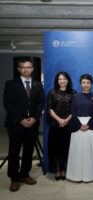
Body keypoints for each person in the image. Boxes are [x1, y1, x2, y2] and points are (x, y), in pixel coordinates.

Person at [3, 58, 44, 192]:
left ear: (32, 69)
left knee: (28, 150)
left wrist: (34, 118)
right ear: (19, 69)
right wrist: (21, 119)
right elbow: (8, 103)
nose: (26, 69)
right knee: (14, 151)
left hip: (32, 124)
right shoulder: (11, 84)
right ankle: (14, 179)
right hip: (15, 124)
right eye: (23, 67)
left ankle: (25, 175)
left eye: (28, 67)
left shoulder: (38, 85)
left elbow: (40, 103)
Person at [66, 74, 93, 182]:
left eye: (88, 82)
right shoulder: (74, 97)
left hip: (90, 127)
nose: (86, 85)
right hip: (77, 126)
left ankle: (89, 176)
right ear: (80, 84)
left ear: (91, 84)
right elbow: (72, 112)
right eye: (84, 82)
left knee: (89, 153)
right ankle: (76, 176)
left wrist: (89, 124)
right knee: (77, 153)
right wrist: (79, 125)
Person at [47, 71, 75, 180]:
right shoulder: (52, 93)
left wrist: (66, 120)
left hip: (69, 125)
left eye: (64, 79)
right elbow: (49, 109)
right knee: (56, 149)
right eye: (60, 79)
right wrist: (59, 120)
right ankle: (58, 170)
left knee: (66, 148)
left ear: (68, 80)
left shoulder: (73, 93)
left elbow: (74, 109)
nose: (62, 81)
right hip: (55, 125)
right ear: (57, 81)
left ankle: (65, 170)